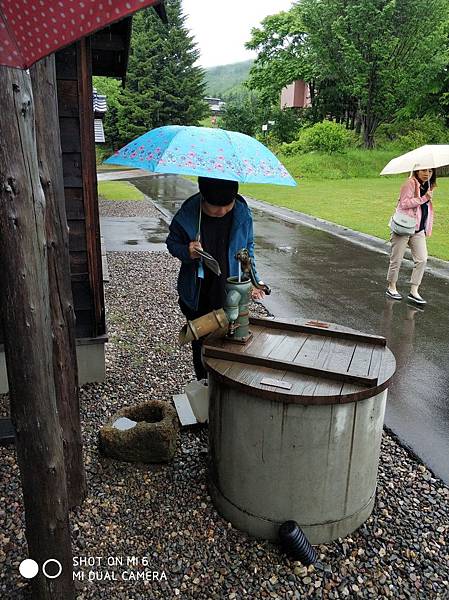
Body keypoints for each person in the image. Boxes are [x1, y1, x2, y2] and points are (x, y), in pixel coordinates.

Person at [166, 176, 265, 380]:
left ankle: (228, 384)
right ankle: (203, 383)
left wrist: (255, 281)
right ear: (203, 198)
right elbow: (172, 243)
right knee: (201, 341)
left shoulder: (242, 213)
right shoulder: (188, 214)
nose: (221, 212)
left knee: (233, 337)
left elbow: (249, 248)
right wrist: (187, 251)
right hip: (199, 290)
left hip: (231, 286)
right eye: (214, 208)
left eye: (226, 207)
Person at [386, 168, 436, 305]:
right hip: (403, 226)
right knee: (396, 259)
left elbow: (427, 209)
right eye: (424, 170)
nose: (427, 174)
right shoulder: (410, 183)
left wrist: (427, 226)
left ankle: (414, 290)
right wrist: (424, 198)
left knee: (422, 259)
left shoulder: (429, 185)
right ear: (417, 171)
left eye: (430, 171)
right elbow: (404, 203)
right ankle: (392, 287)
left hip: (418, 229)